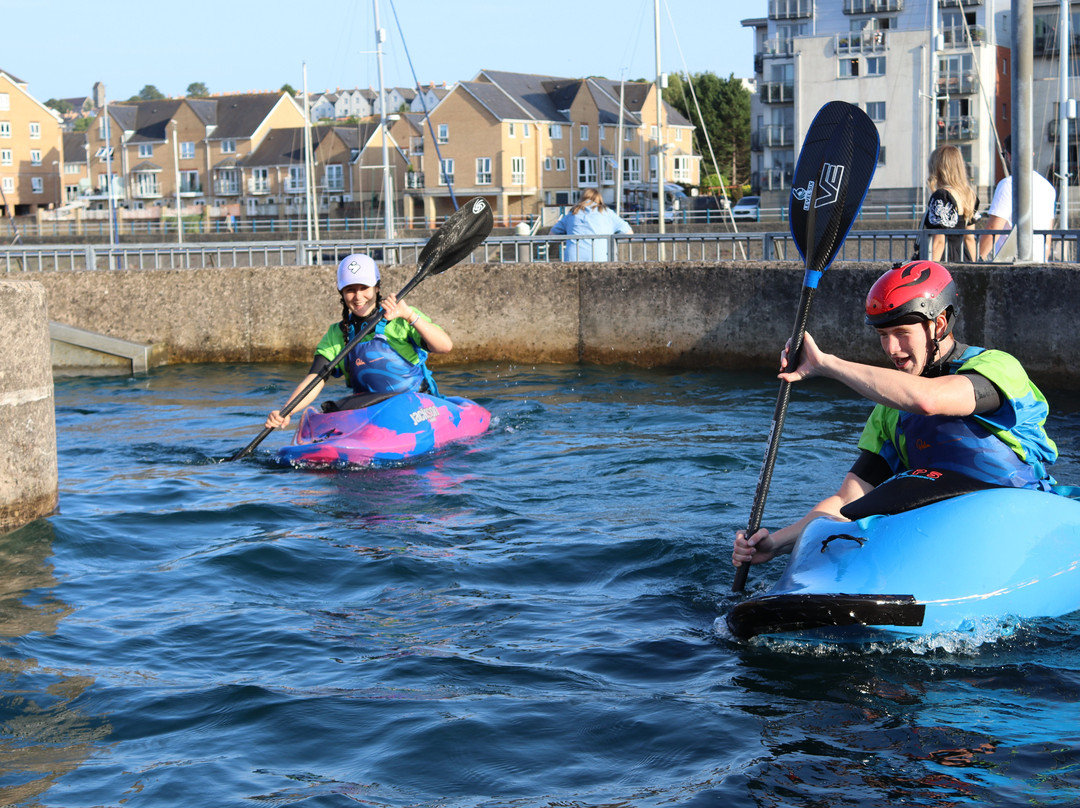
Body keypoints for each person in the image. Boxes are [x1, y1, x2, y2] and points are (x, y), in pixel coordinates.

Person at [732, 260, 1058, 570]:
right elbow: (848, 499)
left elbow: (929, 400)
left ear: (939, 325)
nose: (891, 349)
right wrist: (775, 544)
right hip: (945, 531)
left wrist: (826, 364)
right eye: (882, 336)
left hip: (1023, 519)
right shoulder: (889, 410)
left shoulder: (996, 369)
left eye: (901, 333)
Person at [264, 253, 453, 429]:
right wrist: (287, 411)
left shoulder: (401, 317)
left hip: (417, 405)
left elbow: (444, 346)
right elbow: (316, 377)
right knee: (331, 409)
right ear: (342, 293)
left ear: (377, 288)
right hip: (369, 408)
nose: (358, 296)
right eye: (350, 290)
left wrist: (409, 315)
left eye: (364, 288)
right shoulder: (337, 334)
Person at [977, 135, 1057, 262]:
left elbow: (993, 229)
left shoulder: (1008, 185)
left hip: (1010, 262)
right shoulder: (1048, 187)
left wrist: (976, 259)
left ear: (1008, 155)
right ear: (1032, 154)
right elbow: (1048, 232)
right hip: (1040, 260)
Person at [920, 144, 979, 263]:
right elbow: (969, 239)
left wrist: (930, 270)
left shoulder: (942, 196)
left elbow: (939, 241)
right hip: (963, 258)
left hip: (944, 260)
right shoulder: (969, 195)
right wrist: (974, 267)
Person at [549, 188, 633, 262]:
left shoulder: (573, 213)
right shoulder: (607, 212)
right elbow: (629, 233)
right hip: (601, 258)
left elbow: (551, 235)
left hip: (573, 259)